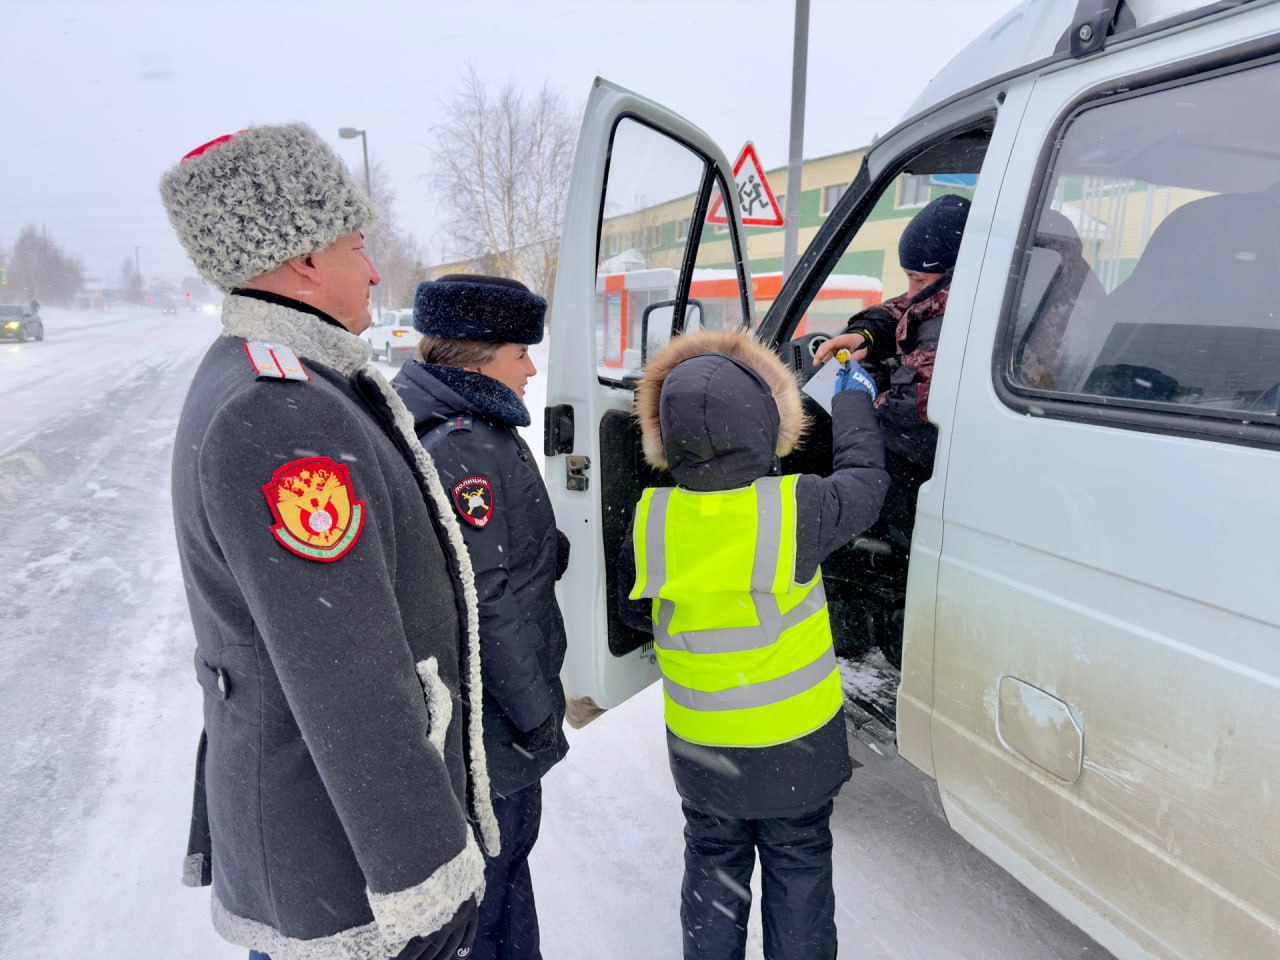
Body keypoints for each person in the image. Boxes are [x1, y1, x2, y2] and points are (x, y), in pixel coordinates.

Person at [160, 122, 499, 960]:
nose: (375, 270)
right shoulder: (284, 410)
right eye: (358, 245)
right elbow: (347, 675)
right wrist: (424, 880)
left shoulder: (260, 374)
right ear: (306, 259)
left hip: (318, 838)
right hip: (341, 867)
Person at [621, 329, 888, 960]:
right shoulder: (799, 508)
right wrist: (852, 401)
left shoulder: (652, 519)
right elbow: (866, 481)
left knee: (713, 863)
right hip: (796, 747)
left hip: (703, 747)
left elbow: (635, 612)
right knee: (799, 864)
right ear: (768, 424)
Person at [392, 274, 570, 960]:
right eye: (521, 353)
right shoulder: (465, 441)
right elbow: (482, 599)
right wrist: (534, 713)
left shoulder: (461, 420)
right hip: (492, 723)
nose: (530, 369)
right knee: (496, 878)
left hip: (482, 713)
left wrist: (541, 547)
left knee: (503, 877)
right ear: (478, 355)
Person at [813, 193, 971, 530]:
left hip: (927, 488)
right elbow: (911, 306)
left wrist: (852, 402)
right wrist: (865, 334)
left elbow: (908, 423)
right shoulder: (965, 297)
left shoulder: (953, 329)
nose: (911, 290)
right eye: (908, 276)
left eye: (919, 279)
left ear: (956, 273)